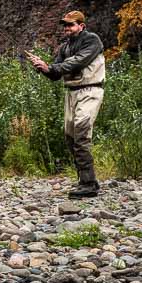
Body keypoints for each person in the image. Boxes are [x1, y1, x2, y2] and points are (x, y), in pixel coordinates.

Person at [26, 10, 105, 198]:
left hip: (90, 90)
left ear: (81, 26)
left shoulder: (92, 41)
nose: (67, 28)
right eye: (65, 25)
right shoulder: (64, 48)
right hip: (71, 93)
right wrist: (42, 67)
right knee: (70, 136)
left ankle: (89, 184)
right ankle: (85, 180)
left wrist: (52, 67)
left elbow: (78, 62)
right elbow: (55, 74)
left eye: (70, 25)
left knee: (81, 132)